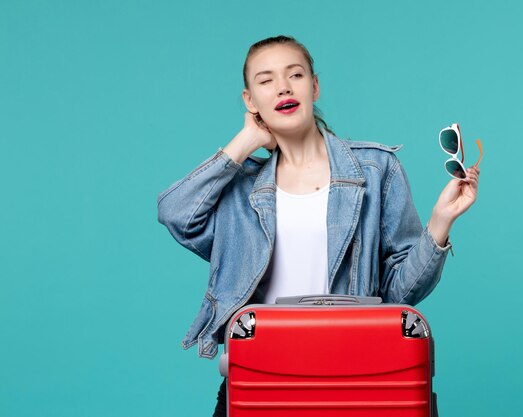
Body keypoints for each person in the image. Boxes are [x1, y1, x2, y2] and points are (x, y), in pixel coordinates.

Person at [157, 35, 480, 417]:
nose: (283, 87)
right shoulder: (239, 190)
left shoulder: (375, 170)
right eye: (266, 80)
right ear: (250, 100)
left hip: (357, 378)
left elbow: (398, 297)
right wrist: (244, 142)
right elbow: (175, 212)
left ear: (314, 86)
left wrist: (439, 224)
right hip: (261, 378)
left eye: (295, 74)